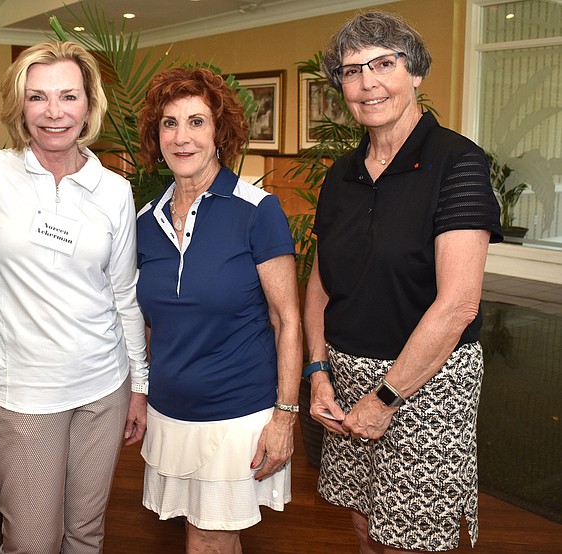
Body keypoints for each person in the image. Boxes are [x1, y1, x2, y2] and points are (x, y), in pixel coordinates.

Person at [303, 11, 503, 553]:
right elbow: (321, 284)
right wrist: (318, 373)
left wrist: (386, 398)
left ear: (415, 73)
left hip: (425, 384)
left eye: (384, 64)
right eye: (351, 71)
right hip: (344, 378)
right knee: (365, 524)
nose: (367, 82)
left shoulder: (457, 162)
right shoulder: (340, 175)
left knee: (409, 540)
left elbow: (458, 304)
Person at [0, 41, 149, 554]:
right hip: (23, 393)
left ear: (89, 105)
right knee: (32, 542)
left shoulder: (113, 190)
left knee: (86, 534)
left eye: (68, 96)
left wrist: (138, 386)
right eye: (38, 97)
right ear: (20, 105)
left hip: (102, 388)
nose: (53, 112)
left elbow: (123, 294)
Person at [135, 67, 302, 553]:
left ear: (219, 132)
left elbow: (286, 320)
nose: (181, 137)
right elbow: (152, 323)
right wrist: (143, 395)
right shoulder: (146, 221)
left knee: (209, 539)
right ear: (156, 135)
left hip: (236, 416)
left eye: (196, 122)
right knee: (200, 536)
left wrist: (285, 418)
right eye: (169, 123)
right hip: (171, 414)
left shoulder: (257, 210)